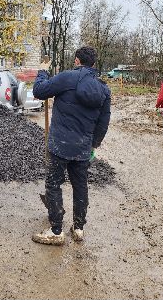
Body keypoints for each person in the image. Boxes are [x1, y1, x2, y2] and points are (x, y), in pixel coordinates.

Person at [32, 46, 111, 245]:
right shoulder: (103, 88)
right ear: (93, 64)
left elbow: (39, 91)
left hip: (59, 145)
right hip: (83, 147)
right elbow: (104, 121)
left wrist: (42, 71)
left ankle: (56, 231)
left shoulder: (67, 78)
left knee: (53, 184)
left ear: (76, 61)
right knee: (80, 186)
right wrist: (94, 145)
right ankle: (78, 228)